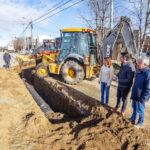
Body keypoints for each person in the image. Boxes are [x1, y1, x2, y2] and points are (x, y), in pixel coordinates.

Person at [129, 57, 150, 128]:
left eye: (140, 63)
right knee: (134, 108)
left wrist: (143, 99)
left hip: (140, 97)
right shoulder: (139, 71)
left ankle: (140, 123)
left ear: (145, 64)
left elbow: (148, 89)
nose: (138, 64)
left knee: (140, 110)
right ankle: (132, 119)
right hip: (136, 94)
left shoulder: (147, 73)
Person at [114, 52, 135, 116]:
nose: (119, 58)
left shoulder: (130, 66)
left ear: (125, 58)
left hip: (126, 87)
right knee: (118, 96)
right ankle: (117, 107)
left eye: (121, 57)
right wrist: (117, 76)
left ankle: (123, 111)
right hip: (120, 85)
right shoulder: (122, 64)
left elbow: (129, 80)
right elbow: (120, 72)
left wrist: (119, 80)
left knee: (124, 99)